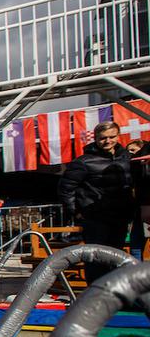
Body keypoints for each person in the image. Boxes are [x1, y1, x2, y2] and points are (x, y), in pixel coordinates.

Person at [58, 120, 134, 283]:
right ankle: (94, 294)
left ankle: (115, 293)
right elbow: (65, 189)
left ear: (118, 136)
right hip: (95, 218)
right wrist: (77, 212)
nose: (107, 141)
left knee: (117, 256)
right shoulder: (83, 162)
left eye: (112, 137)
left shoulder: (126, 158)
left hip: (120, 216)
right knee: (96, 258)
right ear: (96, 139)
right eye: (103, 138)